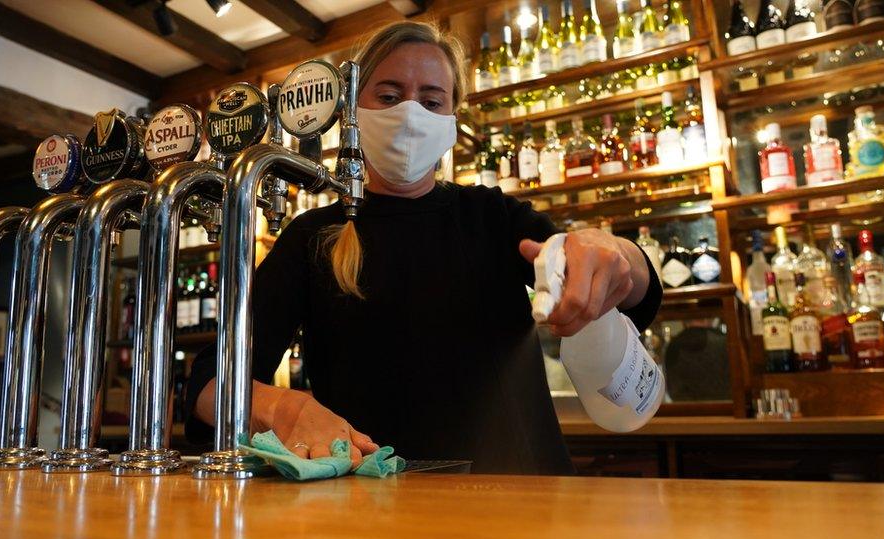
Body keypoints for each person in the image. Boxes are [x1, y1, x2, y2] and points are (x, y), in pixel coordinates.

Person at [185, 21, 661, 475]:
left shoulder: (491, 216)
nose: (410, 114)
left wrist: (611, 251)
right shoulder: (312, 237)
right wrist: (284, 407)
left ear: (453, 118)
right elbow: (208, 383)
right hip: (373, 501)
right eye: (389, 96)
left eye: (431, 101)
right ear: (354, 109)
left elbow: (634, 287)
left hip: (522, 494)